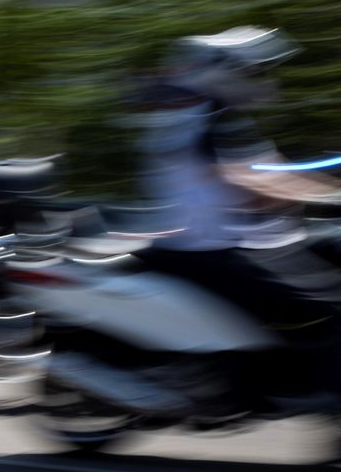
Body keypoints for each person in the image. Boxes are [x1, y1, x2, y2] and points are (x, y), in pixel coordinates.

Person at [133, 26, 341, 403]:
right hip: (217, 250)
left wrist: (327, 190)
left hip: (252, 242)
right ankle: (327, 400)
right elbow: (248, 184)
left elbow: (275, 172)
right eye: (255, 71)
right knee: (331, 302)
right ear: (222, 71)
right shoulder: (203, 120)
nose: (262, 79)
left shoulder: (218, 117)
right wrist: (324, 198)